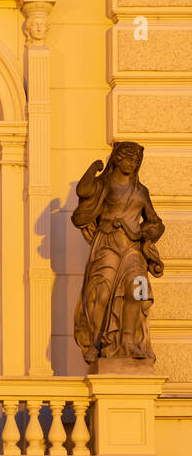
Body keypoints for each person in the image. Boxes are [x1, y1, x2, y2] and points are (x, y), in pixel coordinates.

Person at [73, 141, 164, 363]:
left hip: (132, 249)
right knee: (100, 293)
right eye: (129, 158)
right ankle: (96, 342)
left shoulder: (141, 192)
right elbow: (83, 191)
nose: (133, 163)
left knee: (138, 287)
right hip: (107, 245)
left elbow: (155, 221)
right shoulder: (104, 183)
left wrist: (149, 232)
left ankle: (128, 341)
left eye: (137, 160)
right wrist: (92, 170)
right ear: (118, 158)